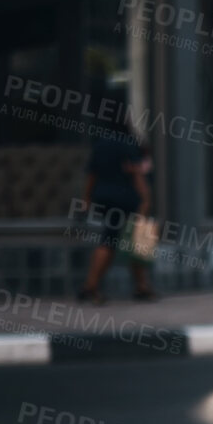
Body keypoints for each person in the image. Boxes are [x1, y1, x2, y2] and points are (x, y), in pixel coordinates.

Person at [78, 128, 153, 304]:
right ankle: (91, 286)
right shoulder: (129, 145)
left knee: (118, 239)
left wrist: (87, 199)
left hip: (103, 198)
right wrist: (146, 199)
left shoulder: (100, 146)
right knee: (133, 242)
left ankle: (141, 286)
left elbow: (91, 175)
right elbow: (137, 175)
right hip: (127, 200)